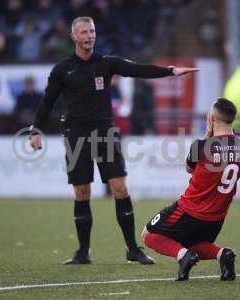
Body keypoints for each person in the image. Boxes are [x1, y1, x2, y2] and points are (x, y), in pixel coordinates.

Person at [29, 16, 198, 265]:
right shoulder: (62, 70)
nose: (90, 36)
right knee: (82, 191)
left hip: (104, 133)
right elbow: (47, 102)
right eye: (84, 32)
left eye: (92, 31)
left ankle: (132, 248)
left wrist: (170, 72)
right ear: (74, 37)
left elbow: (138, 69)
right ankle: (83, 252)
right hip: (76, 135)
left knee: (120, 188)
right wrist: (36, 130)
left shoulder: (107, 64)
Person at [142, 98, 240, 281]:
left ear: (212, 119)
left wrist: (209, 137)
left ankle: (183, 256)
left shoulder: (201, 147)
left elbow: (189, 168)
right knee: (195, 243)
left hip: (190, 211)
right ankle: (223, 254)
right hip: (216, 218)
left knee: (148, 235)